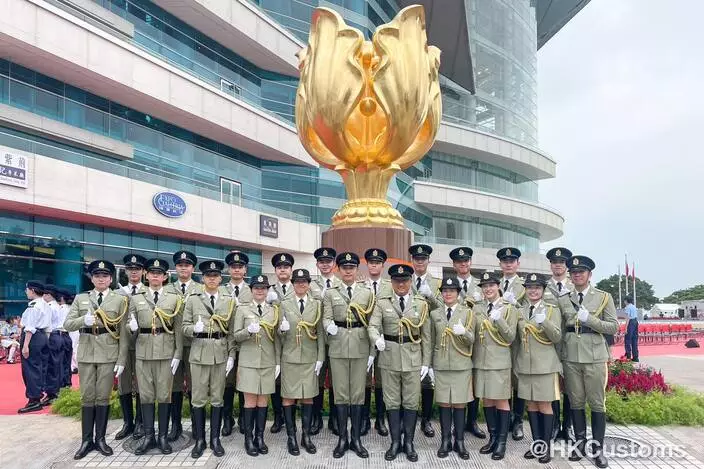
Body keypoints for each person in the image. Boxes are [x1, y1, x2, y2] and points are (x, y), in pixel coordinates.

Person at [63, 260, 129, 460]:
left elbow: (123, 333)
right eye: (97, 276)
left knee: (103, 396)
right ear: (91, 279)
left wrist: (121, 359)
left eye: (105, 276)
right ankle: (86, 441)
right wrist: (83, 320)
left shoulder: (119, 300)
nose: (101, 279)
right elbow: (67, 324)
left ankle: (100, 439)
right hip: (86, 353)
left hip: (108, 354)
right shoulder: (81, 298)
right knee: (87, 396)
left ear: (110, 279)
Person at [557, 255, 618, 469]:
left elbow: (613, 327)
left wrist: (589, 320)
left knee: (597, 403)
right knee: (575, 402)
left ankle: (598, 449)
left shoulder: (603, 297)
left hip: (594, 357)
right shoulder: (564, 299)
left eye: (581, 272)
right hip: (571, 358)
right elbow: (561, 331)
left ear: (589, 274)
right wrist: (559, 359)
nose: (577, 275)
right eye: (573, 272)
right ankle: (580, 443)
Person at [368, 264, 432, 462]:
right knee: (392, 401)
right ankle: (395, 442)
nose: (401, 284)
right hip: (389, 357)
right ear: (392, 282)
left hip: (413, 359)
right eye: (397, 280)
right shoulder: (382, 302)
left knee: (411, 401)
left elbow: (426, 336)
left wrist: (426, 363)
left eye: (404, 280)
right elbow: (372, 326)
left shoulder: (421, 303)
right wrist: (376, 339)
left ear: (410, 281)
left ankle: (409, 443)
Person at [125, 258, 183, 455]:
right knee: (146, 395)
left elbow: (178, 329)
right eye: (152, 273)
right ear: (146, 275)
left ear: (165, 277)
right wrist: (131, 327)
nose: (155, 276)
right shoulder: (136, 299)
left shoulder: (174, 298)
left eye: (159, 273)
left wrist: (178, 353)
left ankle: (163, 437)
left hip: (166, 353)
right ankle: (149, 436)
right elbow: (129, 327)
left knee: (164, 395)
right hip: (143, 352)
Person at [323, 252, 375, 459]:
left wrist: (372, 352)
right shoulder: (330, 293)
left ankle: (356, 439)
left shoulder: (366, 292)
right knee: (341, 394)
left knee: (358, 394)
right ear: (338, 269)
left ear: (356, 269)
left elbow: (372, 323)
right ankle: (342, 439)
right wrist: (328, 326)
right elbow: (326, 318)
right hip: (338, 346)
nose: (348, 271)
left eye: (351, 267)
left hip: (360, 346)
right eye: (344, 267)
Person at [182, 260, 236, 459]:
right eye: (208, 276)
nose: (212, 279)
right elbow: (184, 327)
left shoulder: (228, 300)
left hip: (220, 355)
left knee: (217, 398)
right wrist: (193, 330)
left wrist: (232, 355)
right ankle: (200, 440)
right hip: (199, 353)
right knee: (197, 399)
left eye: (215, 276)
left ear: (220, 278)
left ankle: (215, 439)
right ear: (203, 278)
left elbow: (231, 331)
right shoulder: (193, 300)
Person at [514, 273, 562, 464]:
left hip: (545, 366)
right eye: (529, 288)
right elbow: (517, 340)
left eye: (537, 288)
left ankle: (546, 446)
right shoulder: (521, 311)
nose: (533, 291)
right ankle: (537, 445)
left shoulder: (551, 310)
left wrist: (545, 322)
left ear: (543, 290)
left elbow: (557, 337)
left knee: (544, 405)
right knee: (531, 405)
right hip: (526, 365)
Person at [233, 274, 281, 457]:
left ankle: (260, 438)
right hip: (249, 362)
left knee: (263, 401)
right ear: (251, 290)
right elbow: (236, 336)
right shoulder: (242, 310)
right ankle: (248, 439)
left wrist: (277, 362)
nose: (260, 291)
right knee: (250, 401)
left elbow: (277, 338)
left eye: (263, 288)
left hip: (267, 361)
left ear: (267, 291)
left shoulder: (273, 311)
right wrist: (247, 331)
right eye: (256, 288)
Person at [278, 268, 324, 456]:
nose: (301, 285)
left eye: (304, 281)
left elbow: (320, 333)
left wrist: (320, 358)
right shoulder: (284, 304)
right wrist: (281, 329)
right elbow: (277, 334)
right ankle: (291, 437)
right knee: (288, 396)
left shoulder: (316, 304)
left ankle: (306, 436)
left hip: (309, 357)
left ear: (309, 284)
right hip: (289, 357)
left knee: (308, 396)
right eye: (297, 282)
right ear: (293, 284)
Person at [473, 271, 518, 461]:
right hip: (481, 360)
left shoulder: (509, 308)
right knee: (487, 400)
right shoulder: (477, 307)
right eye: (484, 286)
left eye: (491, 285)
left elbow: (510, 337)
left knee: (500, 400)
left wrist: (499, 319)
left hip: (499, 361)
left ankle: (501, 442)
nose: (488, 289)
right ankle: (492, 438)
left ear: (498, 286)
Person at [431, 276, 475, 460]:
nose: (448, 294)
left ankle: (460, 442)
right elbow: (431, 340)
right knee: (444, 403)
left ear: (458, 293)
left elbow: (472, 340)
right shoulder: (435, 314)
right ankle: (445, 441)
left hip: (461, 365)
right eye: (445, 291)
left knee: (459, 403)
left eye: (452, 291)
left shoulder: (467, 313)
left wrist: (463, 332)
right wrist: (429, 365)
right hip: (441, 364)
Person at [448, 246, 486, 439]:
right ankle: (458, 423)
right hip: (455, 341)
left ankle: (472, 421)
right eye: (459, 261)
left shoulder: (481, 285)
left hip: (477, 338)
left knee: (475, 380)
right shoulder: (448, 285)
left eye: (466, 261)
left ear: (470, 262)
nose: (463, 264)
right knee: (458, 382)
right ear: (454, 265)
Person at [165, 250, 202, 442]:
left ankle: (197, 426)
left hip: (195, 343)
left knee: (195, 385)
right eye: (180, 265)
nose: (183, 268)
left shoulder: (201, 289)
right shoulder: (167, 289)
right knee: (175, 386)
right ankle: (175, 425)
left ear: (192, 268)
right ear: (175, 268)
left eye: (187, 265)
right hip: (172, 344)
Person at [114, 254, 148, 441]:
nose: (134, 272)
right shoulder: (117, 293)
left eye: (137, 269)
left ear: (143, 272)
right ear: (126, 272)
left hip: (143, 342)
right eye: (130, 269)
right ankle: (128, 423)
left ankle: (141, 422)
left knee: (142, 383)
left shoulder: (148, 292)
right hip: (123, 343)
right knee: (124, 383)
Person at [409, 243, 441, 438]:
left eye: (423, 259)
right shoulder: (404, 278)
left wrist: (431, 297)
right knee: (411, 376)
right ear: (412, 260)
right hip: (410, 334)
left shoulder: (437, 283)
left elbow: (441, 309)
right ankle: (409, 418)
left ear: (428, 261)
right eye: (416, 259)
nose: (420, 262)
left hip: (430, 334)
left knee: (428, 380)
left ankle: (426, 420)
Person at [497, 247, 528, 441]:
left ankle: (517, 421)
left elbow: (529, 311)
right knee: (502, 379)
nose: (508, 264)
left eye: (512, 261)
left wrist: (515, 303)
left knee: (517, 380)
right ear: (500, 264)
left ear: (518, 264)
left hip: (517, 339)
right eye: (505, 261)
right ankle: (505, 419)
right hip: (497, 340)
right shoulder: (494, 284)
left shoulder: (526, 286)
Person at [309, 247, 340, 436]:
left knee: (337, 379)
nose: (325, 264)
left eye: (328, 261)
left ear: (334, 264)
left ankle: (335, 418)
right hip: (316, 338)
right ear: (317, 264)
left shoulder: (340, 284)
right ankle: (317, 417)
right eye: (322, 262)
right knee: (317, 379)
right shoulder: (310, 285)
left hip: (337, 338)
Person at [544, 247, 574, 442]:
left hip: (572, 342)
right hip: (550, 343)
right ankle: (555, 426)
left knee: (571, 386)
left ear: (567, 265)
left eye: (561, 262)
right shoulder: (543, 287)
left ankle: (568, 427)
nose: (558, 265)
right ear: (551, 265)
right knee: (553, 386)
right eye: (555, 262)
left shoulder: (575, 285)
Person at [221, 251, 252, 436]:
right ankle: (227, 419)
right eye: (233, 267)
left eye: (240, 267)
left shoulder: (252, 289)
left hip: (246, 342)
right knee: (227, 382)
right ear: (228, 269)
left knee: (244, 381)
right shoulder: (221, 290)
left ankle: (243, 418)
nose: (237, 270)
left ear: (245, 270)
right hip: (226, 342)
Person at [363, 248, 391, 437]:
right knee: (364, 379)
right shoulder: (360, 286)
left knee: (382, 380)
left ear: (382, 265)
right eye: (371, 262)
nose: (374, 265)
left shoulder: (390, 286)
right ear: (367, 265)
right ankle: (365, 420)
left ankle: (380, 420)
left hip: (385, 339)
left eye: (377, 262)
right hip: (364, 339)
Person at [269, 252, 296, 434]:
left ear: (291, 270)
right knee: (276, 381)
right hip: (274, 341)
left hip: (294, 340)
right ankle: (278, 417)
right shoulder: (269, 290)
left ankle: (291, 417)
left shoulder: (299, 287)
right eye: (279, 267)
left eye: (286, 267)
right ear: (275, 271)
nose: (283, 270)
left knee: (292, 380)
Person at [18, 281, 51, 414]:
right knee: (40, 368)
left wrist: (26, 345)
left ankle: (34, 400)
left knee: (30, 369)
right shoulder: (45, 304)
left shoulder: (33, 306)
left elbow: (30, 327)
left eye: (27, 290)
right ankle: (38, 395)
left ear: (32, 290)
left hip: (32, 337)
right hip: (42, 336)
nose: (26, 292)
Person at [42, 284, 67, 406]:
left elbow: (47, 324)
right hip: (59, 335)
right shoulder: (58, 306)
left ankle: (52, 393)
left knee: (51, 366)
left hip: (52, 335)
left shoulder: (50, 307)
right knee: (58, 365)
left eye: (44, 294)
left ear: (49, 295)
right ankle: (57, 391)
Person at [57, 290, 75, 388]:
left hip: (61, 334)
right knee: (67, 361)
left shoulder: (62, 308)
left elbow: (60, 324)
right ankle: (67, 382)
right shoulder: (71, 308)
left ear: (62, 298)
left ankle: (63, 383)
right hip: (68, 335)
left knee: (61, 361)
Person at [624, 296, 639, 362]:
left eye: (624, 301)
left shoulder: (627, 307)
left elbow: (627, 318)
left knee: (627, 340)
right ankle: (635, 357)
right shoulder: (634, 306)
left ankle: (628, 356)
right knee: (634, 340)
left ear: (626, 301)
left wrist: (625, 328)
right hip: (635, 322)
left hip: (630, 323)